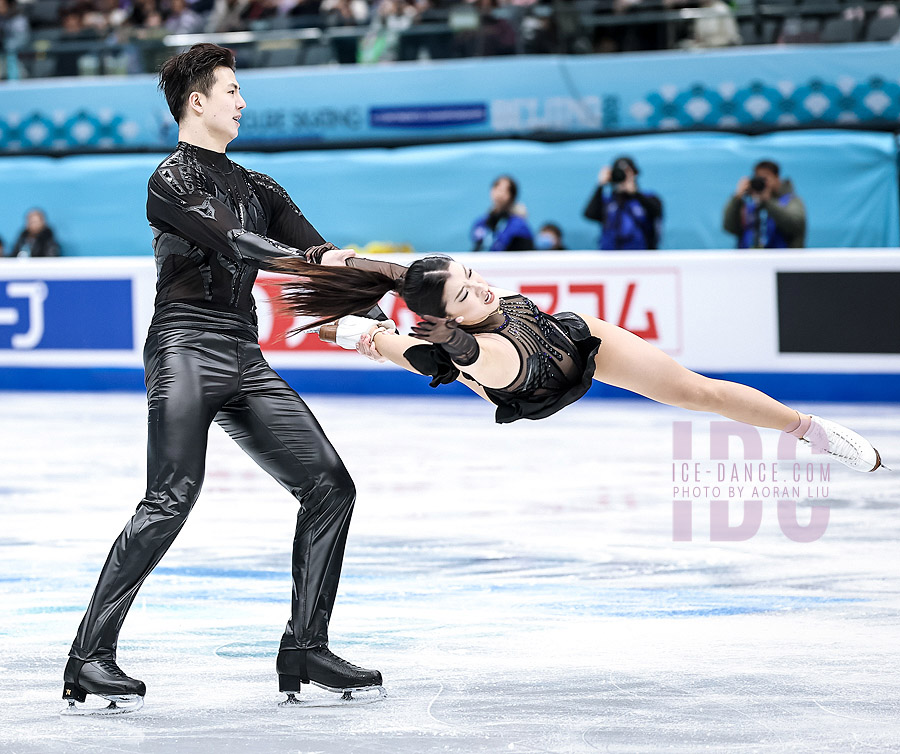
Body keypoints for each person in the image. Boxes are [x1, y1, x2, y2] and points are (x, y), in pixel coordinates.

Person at [62, 43, 383, 716]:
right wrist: (310, 263)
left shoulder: (262, 186)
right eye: (231, 89)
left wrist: (373, 303)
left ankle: (305, 646)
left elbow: (317, 252)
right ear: (197, 101)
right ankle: (89, 656)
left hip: (243, 353)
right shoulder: (169, 180)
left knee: (331, 486)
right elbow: (240, 243)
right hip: (183, 345)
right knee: (171, 495)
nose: (242, 101)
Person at [273, 254, 885, 475]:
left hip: (570, 339)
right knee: (426, 357)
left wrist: (338, 258)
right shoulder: (476, 347)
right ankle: (363, 335)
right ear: (453, 316)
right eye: (465, 294)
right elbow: (480, 356)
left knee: (698, 393)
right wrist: (456, 345)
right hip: (516, 373)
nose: (480, 289)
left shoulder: (453, 292)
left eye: (472, 276)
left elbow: (393, 272)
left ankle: (813, 431)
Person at [583, 156, 663, 251]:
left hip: (640, 256)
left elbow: (656, 212)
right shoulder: (608, 202)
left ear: (635, 174)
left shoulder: (648, 198)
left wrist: (635, 193)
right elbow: (589, 214)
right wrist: (600, 185)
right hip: (610, 257)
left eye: (627, 173)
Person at [723, 160, 806, 249]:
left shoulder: (791, 201)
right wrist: (737, 198)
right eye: (758, 178)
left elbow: (795, 226)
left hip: (782, 260)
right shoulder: (749, 204)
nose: (763, 183)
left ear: (777, 178)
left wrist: (767, 202)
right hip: (749, 259)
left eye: (765, 178)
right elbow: (729, 227)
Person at [470, 175, 534, 252]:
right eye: (496, 187)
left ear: (512, 195)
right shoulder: (482, 222)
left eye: (504, 190)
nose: (498, 193)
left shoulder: (519, 225)